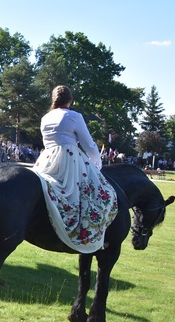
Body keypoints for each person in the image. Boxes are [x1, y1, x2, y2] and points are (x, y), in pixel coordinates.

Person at [30, 85, 118, 253]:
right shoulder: (74, 116)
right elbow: (89, 145)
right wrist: (97, 164)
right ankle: (90, 235)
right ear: (71, 100)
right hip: (70, 158)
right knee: (100, 192)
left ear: (53, 100)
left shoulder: (45, 118)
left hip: (46, 158)